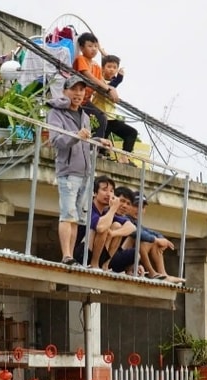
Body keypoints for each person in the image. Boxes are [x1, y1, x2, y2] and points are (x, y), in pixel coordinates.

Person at [46, 75, 112, 265]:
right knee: (67, 214)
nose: (78, 93)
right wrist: (77, 136)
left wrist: (98, 142)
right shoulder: (56, 113)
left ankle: (71, 256)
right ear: (65, 91)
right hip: (68, 171)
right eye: (74, 89)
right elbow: (56, 141)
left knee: (76, 218)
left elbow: (86, 141)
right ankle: (66, 255)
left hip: (85, 173)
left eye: (81, 90)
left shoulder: (84, 115)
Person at [73, 177, 138, 272]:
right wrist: (113, 209)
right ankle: (94, 264)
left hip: (97, 253)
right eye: (104, 190)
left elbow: (132, 227)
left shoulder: (106, 212)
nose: (109, 194)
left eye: (111, 191)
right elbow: (100, 227)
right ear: (94, 193)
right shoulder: (88, 207)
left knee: (116, 226)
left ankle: (105, 265)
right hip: (81, 254)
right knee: (104, 227)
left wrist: (113, 234)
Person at [119, 192, 184, 282]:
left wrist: (161, 239)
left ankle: (163, 274)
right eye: (136, 206)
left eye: (142, 207)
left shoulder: (135, 222)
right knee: (143, 239)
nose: (139, 210)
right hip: (119, 257)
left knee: (153, 240)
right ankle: (151, 272)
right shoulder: (124, 218)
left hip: (130, 257)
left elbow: (148, 231)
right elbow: (137, 233)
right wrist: (156, 240)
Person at [72, 32, 117, 142]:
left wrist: (111, 89)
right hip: (75, 98)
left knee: (101, 118)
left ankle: (95, 147)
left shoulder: (96, 65)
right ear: (82, 48)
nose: (94, 49)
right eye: (90, 46)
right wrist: (109, 89)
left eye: (96, 46)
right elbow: (90, 77)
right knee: (77, 123)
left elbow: (102, 82)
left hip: (85, 100)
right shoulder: (80, 59)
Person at [93, 55, 137, 164]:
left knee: (131, 133)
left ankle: (124, 157)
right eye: (109, 67)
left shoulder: (112, 81)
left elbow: (113, 84)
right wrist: (120, 78)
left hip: (111, 118)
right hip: (100, 117)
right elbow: (109, 87)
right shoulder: (99, 80)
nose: (112, 69)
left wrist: (103, 52)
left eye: (114, 67)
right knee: (102, 142)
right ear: (103, 68)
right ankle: (100, 153)